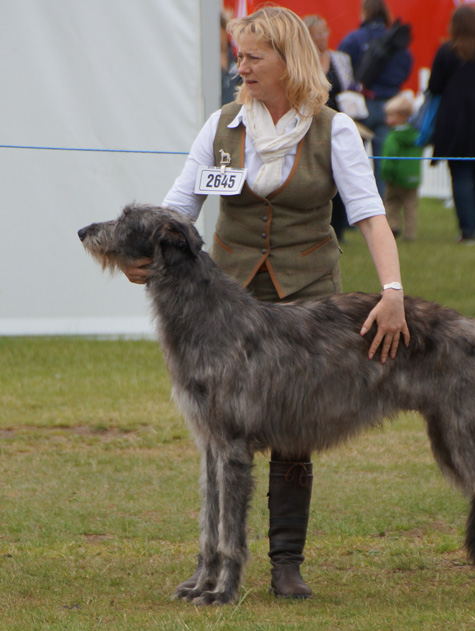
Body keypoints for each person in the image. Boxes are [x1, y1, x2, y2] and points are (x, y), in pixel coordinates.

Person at [123, 6, 410, 597]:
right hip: (227, 302)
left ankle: (286, 561)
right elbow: (180, 208)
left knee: (294, 429)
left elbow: (371, 217)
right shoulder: (223, 124)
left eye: (255, 56)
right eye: (239, 54)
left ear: (289, 60)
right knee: (222, 431)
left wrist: (393, 292)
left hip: (308, 299)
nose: (242, 65)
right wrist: (142, 258)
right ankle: (217, 561)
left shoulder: (335, 130)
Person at [428, 6, 475, 243]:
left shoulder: (446, 52)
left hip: (454, 122)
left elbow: (434, 87)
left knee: (459, 174)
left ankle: (467, 230)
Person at [338, 0, 413, 197]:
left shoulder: (353, 39)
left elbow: (342, 70)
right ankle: (380, 212)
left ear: (365, 12)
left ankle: (353, 214)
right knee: (382, 163)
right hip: (391, 106)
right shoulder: (397, 41)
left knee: (353, 162)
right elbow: (406, 68)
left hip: (359, 104)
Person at [304, 14, 357, 242]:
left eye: (324, 32)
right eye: (316, 34)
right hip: (312, 125)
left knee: (342, 175)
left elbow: (350, 88)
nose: (322, 38)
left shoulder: (341, 59)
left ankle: (340, 230)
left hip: (340, 123)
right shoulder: (302, 61)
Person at [380, 93, 421, 240]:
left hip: (395, 178)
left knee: (391, 204)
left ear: (401, 116)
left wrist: (386, 175)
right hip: (413, 178)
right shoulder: (416, 135)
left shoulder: (393, 138)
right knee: (411, 207)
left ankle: (394, 227)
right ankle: (410, 233)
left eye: (390, 116)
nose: (387, 119)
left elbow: (388, 159)